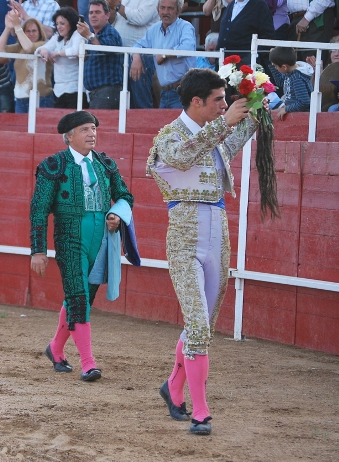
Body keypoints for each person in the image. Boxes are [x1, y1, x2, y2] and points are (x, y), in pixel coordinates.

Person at [147, 68, 264, 436]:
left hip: (218, 233)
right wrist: (225, 123)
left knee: (203, 328)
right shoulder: (169, 136)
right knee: (197, 326)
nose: (223, 106)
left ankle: (173, 387)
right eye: (218, 100)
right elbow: (182, 158)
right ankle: (200, 411)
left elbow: (239, 134)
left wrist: (257, 98)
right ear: (196, 102)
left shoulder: (215, 134)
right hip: (184, 236)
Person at [30, 110, 134, 383]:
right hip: (69, 236)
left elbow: (125, 195)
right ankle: (88, 363)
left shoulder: (105, 164)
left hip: (100, 239)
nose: (92, 134)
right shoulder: (54, 165)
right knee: (78, 298)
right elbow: (38, 210)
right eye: (86, 129)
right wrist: (38, 250)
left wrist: (116, 214)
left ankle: (55, 348)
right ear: (69, 136)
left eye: (94, 129)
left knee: (83, 297)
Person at [132, 0, 196, 109]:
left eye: (170, 8)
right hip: (164, 93)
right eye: (162, 8)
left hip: (184, 91)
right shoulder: (153, 30)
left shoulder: (186, 27)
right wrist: (136, 57)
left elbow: (187, 47)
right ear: (158, 9)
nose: (165, 12)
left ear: (178, 11)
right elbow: (138, 45)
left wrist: (165, 55)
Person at [0, 10, 53, 113]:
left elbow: (29, 48)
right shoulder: (19, 47)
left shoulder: (44, 45)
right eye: (28, 31)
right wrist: (8, 28)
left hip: (41, 98)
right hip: (20, 99)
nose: (31, 33)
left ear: (40, 32)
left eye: (34, 31)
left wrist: (17, 26)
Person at [35, 7, 87, 109]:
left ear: (71, 23)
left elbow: (75, 51)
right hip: (58, 90)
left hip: (75, 90)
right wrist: (44, 50)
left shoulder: (78, 35)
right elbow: (41, 48)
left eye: (62, 23)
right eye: (57, 24)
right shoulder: (57, 37)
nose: (59, 27)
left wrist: (57, 53)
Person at [77, 0, 124, 110]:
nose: (93, 15)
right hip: (97, 93)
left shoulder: (111, 32)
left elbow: (107, 50)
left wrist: (89, 36)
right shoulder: (94, 36)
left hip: (107, 92)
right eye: (91, 12)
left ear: (107, 15)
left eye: (97, 12)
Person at [216, 0, 274, 66]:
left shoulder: (260, 6)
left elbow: (268, 35)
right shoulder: (231, 4)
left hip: (245, 64)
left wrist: (254, 55)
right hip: (223, 62)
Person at [268, 46, 313, 120]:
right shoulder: (289, 73)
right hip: (291, 109)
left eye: (275, 66)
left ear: (284, 67)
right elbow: (280, 81)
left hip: (301, 116)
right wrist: (274, 60)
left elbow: (304, 102)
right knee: (269, 114)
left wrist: (286, 109)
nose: (275, 68)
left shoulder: (297, 78)